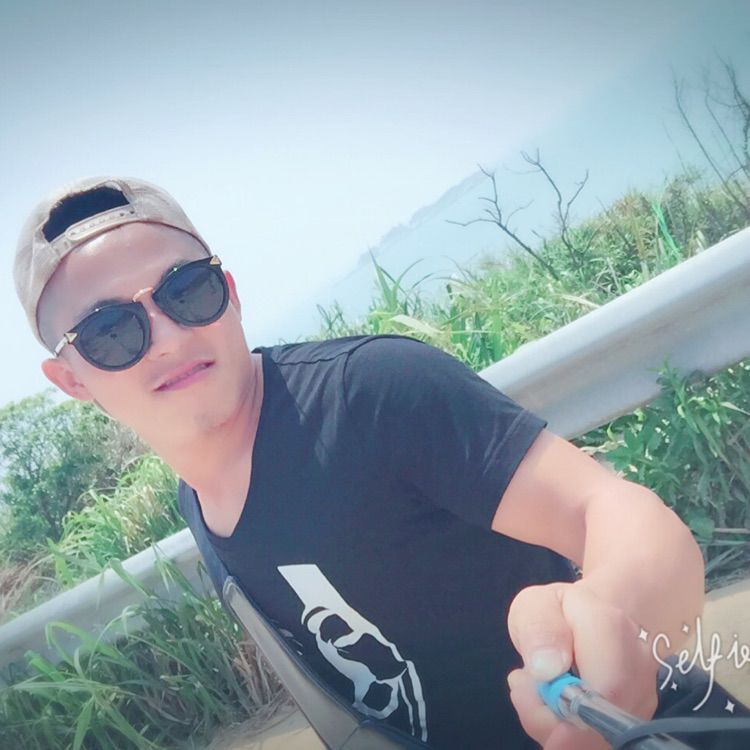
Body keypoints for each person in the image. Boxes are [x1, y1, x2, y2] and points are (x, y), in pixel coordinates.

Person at [12, 176, 749, 750]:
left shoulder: (371, 394)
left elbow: (608, 508)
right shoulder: (198, 503)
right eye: (110, 331)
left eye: (187, 290)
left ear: (229, 294)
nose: (170, 336)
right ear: (73, 380)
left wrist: (612, 620)